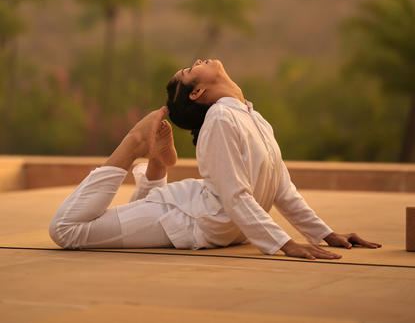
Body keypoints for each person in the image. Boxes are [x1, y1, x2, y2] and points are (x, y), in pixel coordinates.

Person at [49, 58, 381, 259]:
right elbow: (236, 195)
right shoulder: (221, 119)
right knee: (67, 230)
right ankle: (134, 143)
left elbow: (281, 187)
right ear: (196, 93)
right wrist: (284, 243)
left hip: (210, 222)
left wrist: (323, 233)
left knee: (74, 227)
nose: (198, 61)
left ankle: (157, 165)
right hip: (188, 218)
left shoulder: (252, 116)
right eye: (190, 69)